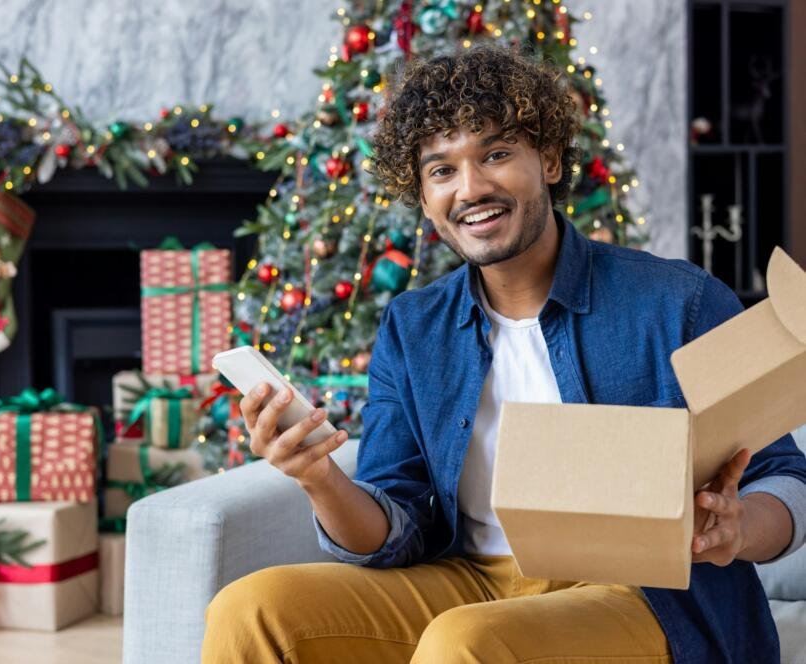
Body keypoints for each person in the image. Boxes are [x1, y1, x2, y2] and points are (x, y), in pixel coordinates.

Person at [202, 45, 806, 663]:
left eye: (495, 154)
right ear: (423, 192)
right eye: (441, 171)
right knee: (250, 610)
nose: (471, 189)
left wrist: (737, 529)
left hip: (645, 595)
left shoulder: (677, 300)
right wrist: (318, 478)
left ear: (546, 158)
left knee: (465, 639)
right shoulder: (414, 328)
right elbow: (397, 529)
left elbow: (786, 478)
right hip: (474, 580)